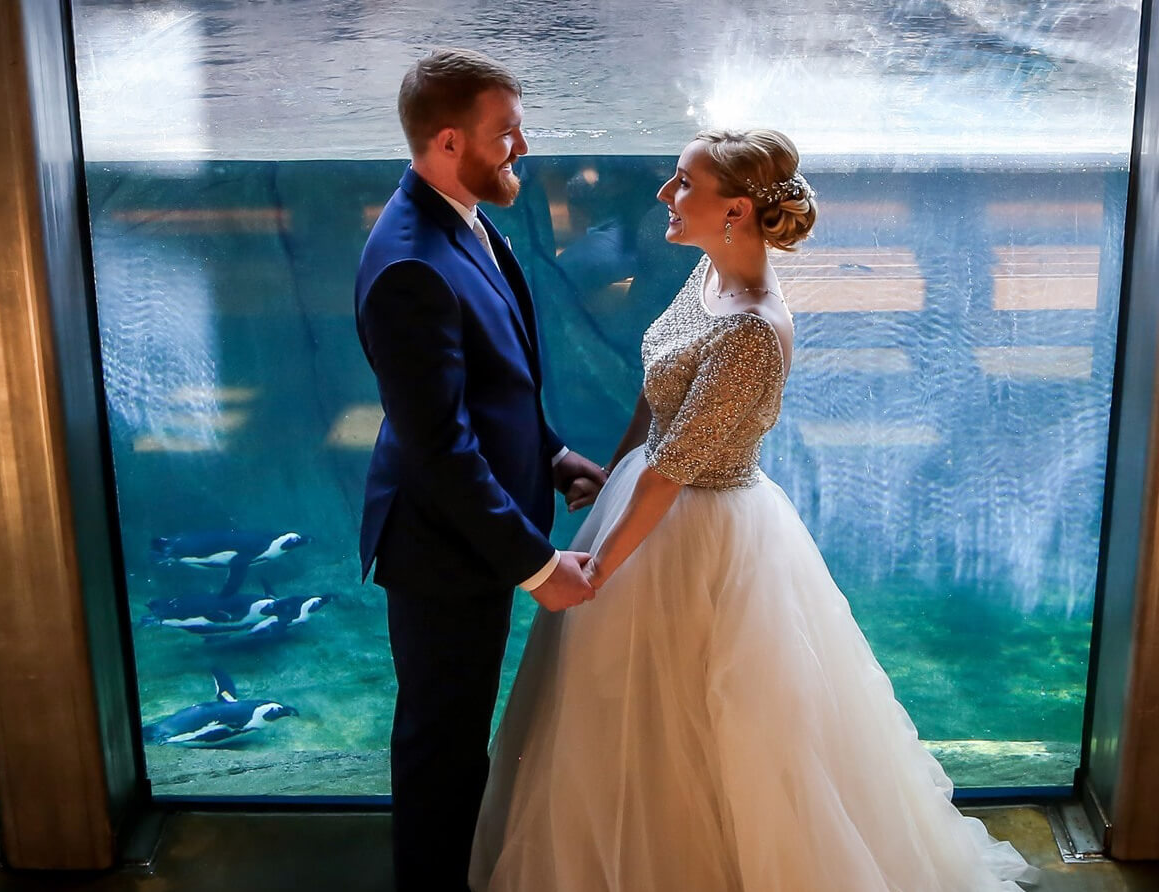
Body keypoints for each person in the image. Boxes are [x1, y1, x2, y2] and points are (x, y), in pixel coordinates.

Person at [469, 129, 1039, 891]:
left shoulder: (753, 332)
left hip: (700, 530)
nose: (665, 196)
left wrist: (599, 568)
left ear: (735, 210)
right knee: (629, 719)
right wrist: (609, 480)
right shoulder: (709, 275)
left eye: (681, 184)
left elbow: (676, 472)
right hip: (646, 497)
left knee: (718, 718)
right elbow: (658, 390)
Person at [354, 48, 609, 892]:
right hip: (440, 552)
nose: (522, 146)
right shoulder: (409, 263)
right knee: (442, 748)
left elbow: (492, 386)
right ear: (452, 141)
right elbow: (441, 450)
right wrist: (538, 568)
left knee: (457, 739)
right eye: (507, 132)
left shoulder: (461, 215)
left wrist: (553, 453)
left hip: (471, 537)